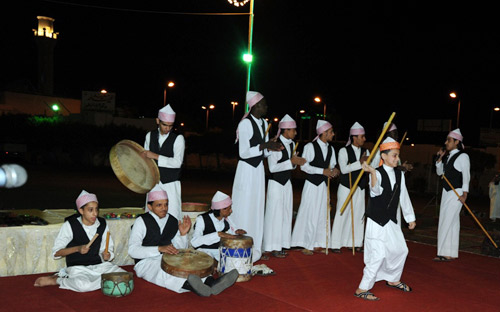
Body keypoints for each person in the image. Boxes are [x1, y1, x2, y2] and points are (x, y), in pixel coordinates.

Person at [128, 185, 239, 297]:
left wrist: (182, 234)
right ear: (150, 206)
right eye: (159, 205)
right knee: (163, 273)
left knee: (190, 264)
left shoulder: (172, 220)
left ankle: (212, 283)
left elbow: (179, 248)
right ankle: (193, 287)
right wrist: (159, 249)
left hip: (169, 257)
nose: (164, 208)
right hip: (146, 262)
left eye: (166, 204)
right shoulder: (141, 221)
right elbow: (132, 250)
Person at [355, 137, 416, 301]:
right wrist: (373, 173)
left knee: (401, 250)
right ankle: (362, 288)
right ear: (383, 156)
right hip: (376, 220)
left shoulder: (399, 173)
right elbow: (375, 191)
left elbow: (404, 196)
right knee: (378, 255)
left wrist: (410, 217)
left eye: (397, 155)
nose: (397, 159)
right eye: (394, 156)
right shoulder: (377, 172)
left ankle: (393, 279)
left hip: (391, 220)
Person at [34, 190, 125, 291]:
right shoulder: (70, 225)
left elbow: (107, 249)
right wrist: (77, 249)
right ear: (81, 211)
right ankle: (58, 280)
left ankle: (100, 281)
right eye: (90, 210)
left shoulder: (102, 224)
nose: (95, 213)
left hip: (99, 266)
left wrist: (107, 254)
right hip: (78, 268)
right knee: (84, 286)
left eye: (96, 209)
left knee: (124, 276)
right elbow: (56, 252)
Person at [231, 91, 283, 262]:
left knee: (257, 207)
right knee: (245, 207)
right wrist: (264, 145)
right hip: (246, 170)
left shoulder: (263, 123)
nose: (266, 107)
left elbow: (264, 153)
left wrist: (272, 147)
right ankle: (239, 247)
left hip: (258, 170)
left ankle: (255, 249)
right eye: (263, 104)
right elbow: (244, 152)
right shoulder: (245, 124)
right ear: (254, 106)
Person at [291, 120, 339, 255]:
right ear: (323, 133)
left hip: (323, 186)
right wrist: (322, 171)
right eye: (331, 132)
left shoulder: (331, 148)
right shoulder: (310, 147)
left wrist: (334, 171)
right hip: (312, 185)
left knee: (323, 214)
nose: (333, 134)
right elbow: (305, 167)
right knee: (310, 213)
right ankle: (307, 244)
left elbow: (332, 165)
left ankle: (319, 243)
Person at [263, 114, 306, 258]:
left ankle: (282, 244)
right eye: (293, 130)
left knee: (286, 214)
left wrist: (295, 163)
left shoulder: (293, 145)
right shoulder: (275, 143)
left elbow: (291, 167)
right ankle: (272, 246)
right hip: (275, 184)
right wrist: (291, 162)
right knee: (275, 214)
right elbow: (273, 168)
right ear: (285, 130)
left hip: (287, 184)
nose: (295, 132)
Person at [330, 122, 369, 253]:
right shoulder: (343, 151)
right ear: (354, 137)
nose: (364, 139)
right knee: (342, 213)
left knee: (359, 215)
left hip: (360, 187)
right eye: (362, 136)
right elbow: (344, 169)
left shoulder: (366, 151)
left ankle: (356, 242)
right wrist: (360, 163)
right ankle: (335, 244)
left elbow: (370, 167)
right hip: (347, 187)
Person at [434, 128, 470, 262]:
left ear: (456, 142)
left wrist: (465, 194)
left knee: (446, 221)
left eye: (449, 140)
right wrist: (439, 161)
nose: (446, 142)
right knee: (452, 222)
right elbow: (440, 174)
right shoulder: (448, 156)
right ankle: (450, 252)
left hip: (457, 193)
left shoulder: (463, 156)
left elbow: (466, 176)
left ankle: (443, 252)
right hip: (447, 192)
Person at [143, 104, 185, 220]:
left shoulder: (178, 139)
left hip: (170, 184)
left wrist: (156, 156)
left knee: (172, 216)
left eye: (170, 126)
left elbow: (177, 163)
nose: (167, 128)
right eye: (164, 125)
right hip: (153, 183)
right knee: (151, 217)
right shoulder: (149, 136)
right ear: (158, 121)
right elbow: (146, 160)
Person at [191, 191, 246, 263]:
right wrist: (218, 235)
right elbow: (194, 242)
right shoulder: (202, 219)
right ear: (222, 209)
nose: (231, 211)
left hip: (220, 251)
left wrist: (237, 232)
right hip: (205, 251)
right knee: (206, 260)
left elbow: (231, 233)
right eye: (229, 208)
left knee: (253, 254)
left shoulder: (227, 219)